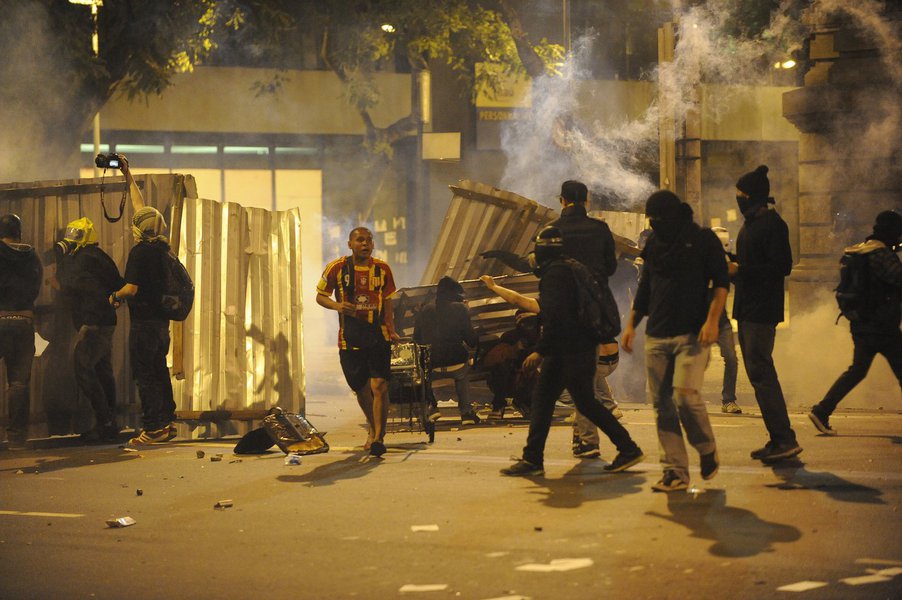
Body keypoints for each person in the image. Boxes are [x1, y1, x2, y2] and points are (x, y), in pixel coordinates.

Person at [482, 226, 645, 477]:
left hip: (568, 350)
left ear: (544, 251)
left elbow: (556, 318)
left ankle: (626, 449)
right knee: (558, 403)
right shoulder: (572, 269)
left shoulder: (556, 276)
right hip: (578, 347)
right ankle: (534, 458)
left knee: (569, 403)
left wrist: (539, 351)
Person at [621, 190, 727, 492]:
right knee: (663, 406)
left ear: (672, 215)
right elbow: (645, 288)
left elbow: (721, 284)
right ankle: (674, 471)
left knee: (685, 397)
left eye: (657, 218)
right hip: (657, 334)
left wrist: (712, 321)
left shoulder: (703, 240)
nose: (653, 223)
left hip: (691, 334)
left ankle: (706, 447)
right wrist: (631, 326)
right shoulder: (655, 243)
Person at [547, 180, 625, 460]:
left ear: (562, 200)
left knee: (575, 381)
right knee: (583, 376)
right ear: (587, 201)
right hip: (592, 313)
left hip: (562, 312)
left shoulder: (552, 230)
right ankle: (583, 437)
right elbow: (611, 268)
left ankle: (589, 439)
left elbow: (543, 270)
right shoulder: (600, 229)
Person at [809, 210, 902, 435]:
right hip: (883, 326)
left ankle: (822, 410)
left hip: (861, 324)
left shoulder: (860, 251)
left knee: (857, 370)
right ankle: (821, 410)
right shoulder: (882, 255)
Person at [731, 165, 800, 463]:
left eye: (741, 194)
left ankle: (784, 439)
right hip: (747, 308)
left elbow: (781, 266)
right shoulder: (750, 224)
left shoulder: (772, 224)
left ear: (753, 196)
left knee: (761, 372)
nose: (738, 199)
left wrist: (740, 270)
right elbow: (751, 263)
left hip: (761, 310)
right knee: (758, 373)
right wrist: (732, 264)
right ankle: (778, 438)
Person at [110, 156, 178, 447]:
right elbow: (142, 209)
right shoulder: (163, 249)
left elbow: (132, 288)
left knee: (145, 375)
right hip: (161, 326)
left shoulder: (140, 253)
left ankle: (153, 428)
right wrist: (128, 175)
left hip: (144, 325)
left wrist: (114, 295)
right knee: (159, 372)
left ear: (140, 228)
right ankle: (167, 423)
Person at [316, 226, 399, 457]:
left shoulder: (383, 269)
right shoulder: (337, 268)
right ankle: (373, 427)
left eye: (369, 240)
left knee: (379, 385)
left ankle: (379, 438)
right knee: (361, 388)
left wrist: (391, 328)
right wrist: (337, 306)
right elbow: (320, 296)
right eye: (360, 240)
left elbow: (388, 300)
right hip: (350, 338)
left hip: (378, 335)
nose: (365, 244)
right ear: (350, 244)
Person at [54, 217, 125, 443]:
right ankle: (109, 424)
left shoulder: (81, 258)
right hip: (105, 321)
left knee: (83, 367)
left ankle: (105, 421)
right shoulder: (100, 257)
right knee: (102, 370)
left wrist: (60, 258)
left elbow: (66, 282)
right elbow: (117, 283)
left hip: (92, 323)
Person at [0, 214, 43, 450]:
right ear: (19, 232)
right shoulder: (32, 256)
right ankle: (16, 439)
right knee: (18, 383)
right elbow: (36, 288)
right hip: (24, 322)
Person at [413, 276, 480, 425]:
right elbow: (472, 341)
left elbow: (416, 338)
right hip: (457, 365)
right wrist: (467, 313)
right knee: (462, 375)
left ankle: (432, 407)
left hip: (433, 367)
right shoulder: (460, 309)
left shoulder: (425, 310)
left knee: (423, 369)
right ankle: (466, 412)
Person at [482, 309, 539, 419]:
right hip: (506, 379)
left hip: (528, 380)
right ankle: (499, 405)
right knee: (501, 369)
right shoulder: (509, 337)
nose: (529, 327)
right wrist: (513, 350)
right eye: (525, 323)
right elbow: (492, 361)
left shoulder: (539, 338)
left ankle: (525, 404)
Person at [711, 226, 741, 414]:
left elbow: (737, 277)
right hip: (700, 320)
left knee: (731, 358)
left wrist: (732, 266)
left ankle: (728, 399)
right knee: (693, 360)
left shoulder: (728, 261)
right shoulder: (700, 261)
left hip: (721, 320)